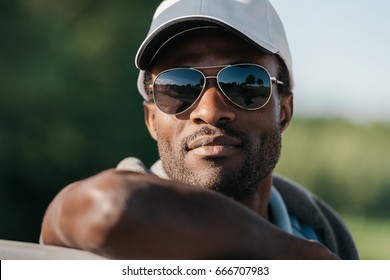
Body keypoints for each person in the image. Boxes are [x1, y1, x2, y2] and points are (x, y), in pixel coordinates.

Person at [41, 0, 358, 259]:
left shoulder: (323, 235)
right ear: (151, 120)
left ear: (284, 112)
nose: (210, 111)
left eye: (247, 82)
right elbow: (115, 210)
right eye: (177, 87)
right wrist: (298, 257)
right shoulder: (94, 240)